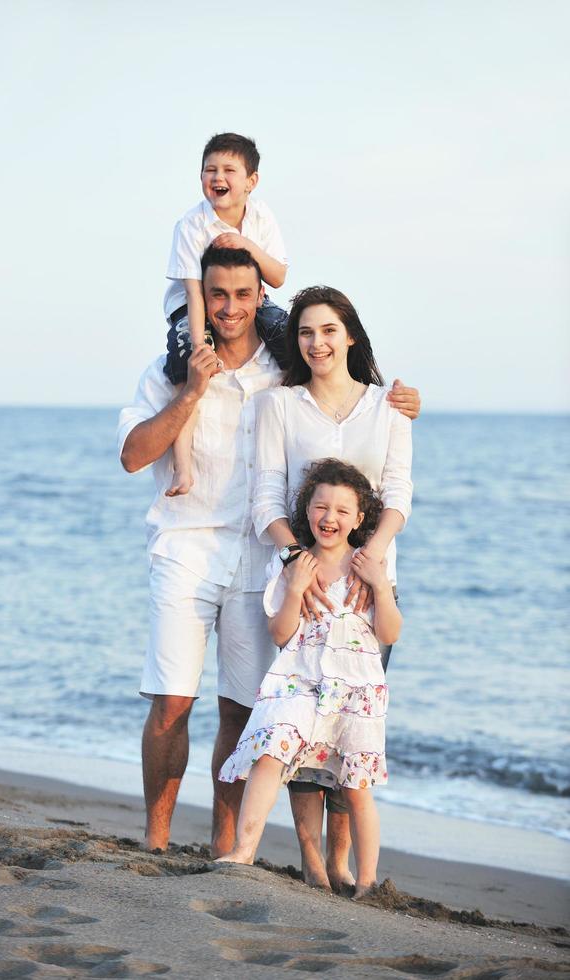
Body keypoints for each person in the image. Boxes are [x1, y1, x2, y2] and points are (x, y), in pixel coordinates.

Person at [118, 246, 419, 858]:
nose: (230, 308)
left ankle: (225, 852)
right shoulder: (171, 370)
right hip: (188, 545)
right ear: (201, 298)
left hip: (261, 559)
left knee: (245, 707)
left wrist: (402, 399)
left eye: (243, 295)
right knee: (173, 700)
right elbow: (132, 455)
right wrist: (191, 392)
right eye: (218, 294)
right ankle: (153, 847)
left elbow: (341, 396)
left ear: (261, 299)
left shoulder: (282, 373)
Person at [252, 284, 413, 891]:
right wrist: (299, 561)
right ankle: (312, 862)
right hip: (305, 585)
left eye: (327, 330)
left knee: (353, 728)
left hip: (371, 583)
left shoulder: (389, 406)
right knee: (299, 718)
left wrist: (371, 559)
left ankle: (344, 860)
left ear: (349, 334)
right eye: (304, 333)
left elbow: (398, 492)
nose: (316, 343)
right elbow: (266, 497)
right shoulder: (280, 406)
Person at [218, 459, 401, 899]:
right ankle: (244, 849)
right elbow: (280, 634)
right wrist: (296, 588)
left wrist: (379, 587)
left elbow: (389, 634)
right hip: (299, 679)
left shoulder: (369, 567)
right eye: (321, 507)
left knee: (356, 785)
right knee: (271, 749)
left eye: (342, 510)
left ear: (359, 519)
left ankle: (369, 879)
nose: (329, 518)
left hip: (356, 690)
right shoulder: (293, 567)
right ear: (307, 511)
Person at [163, 132, 289, 496]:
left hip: (252, 300)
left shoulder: (262, 216)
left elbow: (278, 277)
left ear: (251, 182)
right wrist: (202, 341)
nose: (218, 178)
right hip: (194, 305)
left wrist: (245, 244)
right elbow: (193, 291)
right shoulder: (191, 225)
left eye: (229, 170)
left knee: (288, 334)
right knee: (188, 364)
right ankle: (183, 468)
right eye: (209, 170)